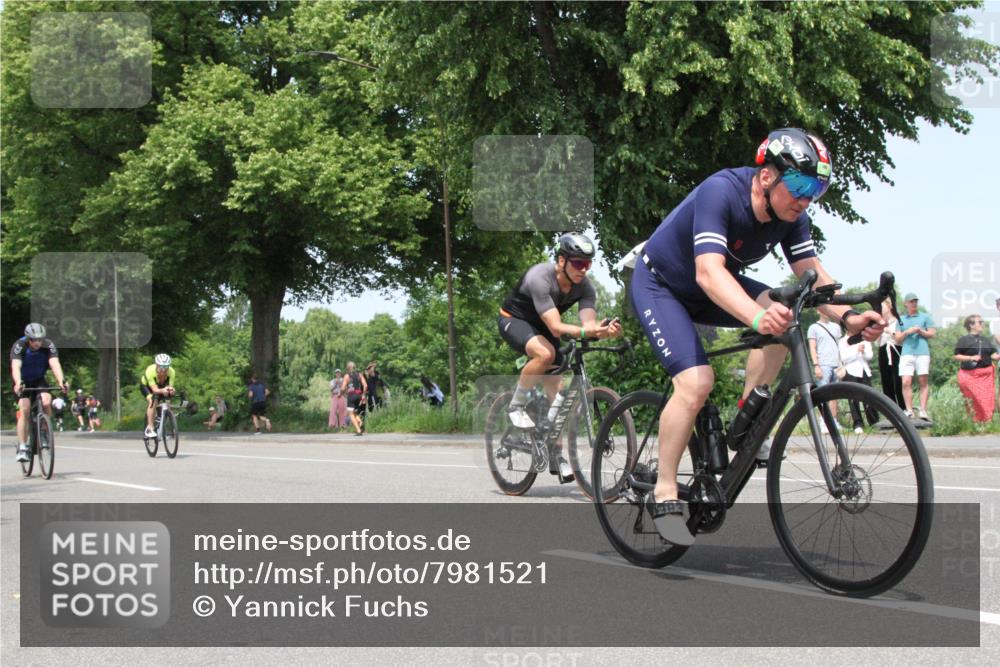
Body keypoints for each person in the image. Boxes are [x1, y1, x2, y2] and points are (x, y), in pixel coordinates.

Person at [629, 128, 884, 545]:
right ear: (767, 176)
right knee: (696, 382)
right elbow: (708, 272)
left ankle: (747, 422)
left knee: (788, 319)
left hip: (713, 285)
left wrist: (850, 317)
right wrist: (756, 316)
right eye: (800, 185)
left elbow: (813, 278)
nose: (806, 199)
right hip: (663, 287)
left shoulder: (792, 217)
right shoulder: (721, 192)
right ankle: (665, 492)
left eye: (817, 189)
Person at [498, 232, 623, 482]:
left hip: (543, 326)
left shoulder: (585, 287)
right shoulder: (540, 278)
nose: (583, 269)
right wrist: (590, 330)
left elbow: (587, 324)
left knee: (558, 396)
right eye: (578, 263)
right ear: (561, 261)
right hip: (515, 320)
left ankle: (556, 454)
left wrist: (603, 331)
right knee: (545, 353)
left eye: (588, 264)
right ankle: (516, 404)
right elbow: (556, 328)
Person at [10, 323, 69, 462]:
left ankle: (44, 431)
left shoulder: (48, 345)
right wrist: (18, 382)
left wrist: (61, 381)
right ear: (28, 339)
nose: (37, 343)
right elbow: (15, 366)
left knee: (47, 401)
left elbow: (55, 363)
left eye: (40, 340)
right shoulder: (20, 345)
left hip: (38, 379)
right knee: (24, 409)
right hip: (23, 380)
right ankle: (23, 447)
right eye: (34, 340)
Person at [895, 293, 936, 421]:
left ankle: (923, 410)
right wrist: (907, 331)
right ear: (906, 304)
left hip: (922, 352)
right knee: (906, 381)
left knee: (923, 381)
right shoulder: (900, 319)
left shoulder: (925, 317)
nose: (914, 303)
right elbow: (897, 338)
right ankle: (909, 410)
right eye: (911, 301)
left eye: (915, 301)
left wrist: (921, 331)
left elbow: (932, 333)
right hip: (907, 353)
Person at [954, 314, 999, 422]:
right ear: (971, 325)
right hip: (970, 375)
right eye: (979, 322)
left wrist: (998, 356)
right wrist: (970, 357)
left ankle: (986, 422)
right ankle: (974, 421)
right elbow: (957, 356)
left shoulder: (986, 340)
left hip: (986, 376)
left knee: (986, 399)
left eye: (982, 322)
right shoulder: (964, 340)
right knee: (974, 398)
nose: (982, 324)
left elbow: (993, 355)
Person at [807, 311, 842, 432]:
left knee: (835, 395)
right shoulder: (814, 327)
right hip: (823, 364)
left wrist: (841, 364)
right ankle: (824, 422)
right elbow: (812, 347)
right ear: (818, 311)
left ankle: (833, 421)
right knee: (823, 395)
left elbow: (839, 345)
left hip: (835, 364)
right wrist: (816, 365)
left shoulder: (836, 327)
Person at [839, 334, 878, 433]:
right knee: (853, 398)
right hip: (851, 370)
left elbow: (870, 356)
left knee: (869, 396)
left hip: (864, 370)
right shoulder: (843, 340)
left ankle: (874, 421)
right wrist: (856, 350)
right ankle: (858, 423)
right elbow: (844, 358)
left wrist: (863, 351)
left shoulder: (864, 338)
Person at [876, 297, 906, 411]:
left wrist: (890, 331)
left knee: (898, 380)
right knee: (886, 380)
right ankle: (891, 410)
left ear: (889, 307)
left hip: (895, 350)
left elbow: (901, 339)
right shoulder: (880, 323)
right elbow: (877, 341)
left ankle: (903, 408)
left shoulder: (898, 321)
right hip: (883, 350)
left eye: (882, 307)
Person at [140, 354, 176, 438]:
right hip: (147, 386)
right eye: (161, 367)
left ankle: (165, 425)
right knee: (152, 401)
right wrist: (163, 391)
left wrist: (171, 390)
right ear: (156, 365)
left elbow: (170, 387)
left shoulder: (171, 372)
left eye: (166, 367)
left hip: (161, 385)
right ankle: (150, 428)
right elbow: (155, 390)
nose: (164, 370)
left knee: (168, 402)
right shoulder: (150, 371)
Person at [341, 361, 367, 435]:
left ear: (348, 368)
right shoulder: (360, 375)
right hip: (359, 395)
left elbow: (342, 388)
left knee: (350, 414)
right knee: (354, 412)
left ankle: (358, 430)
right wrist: (364, 395)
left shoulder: (347, 376)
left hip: (351, 395)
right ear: (355, 367)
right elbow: (365, 386)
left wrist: (343, 393)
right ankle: (360, 422)